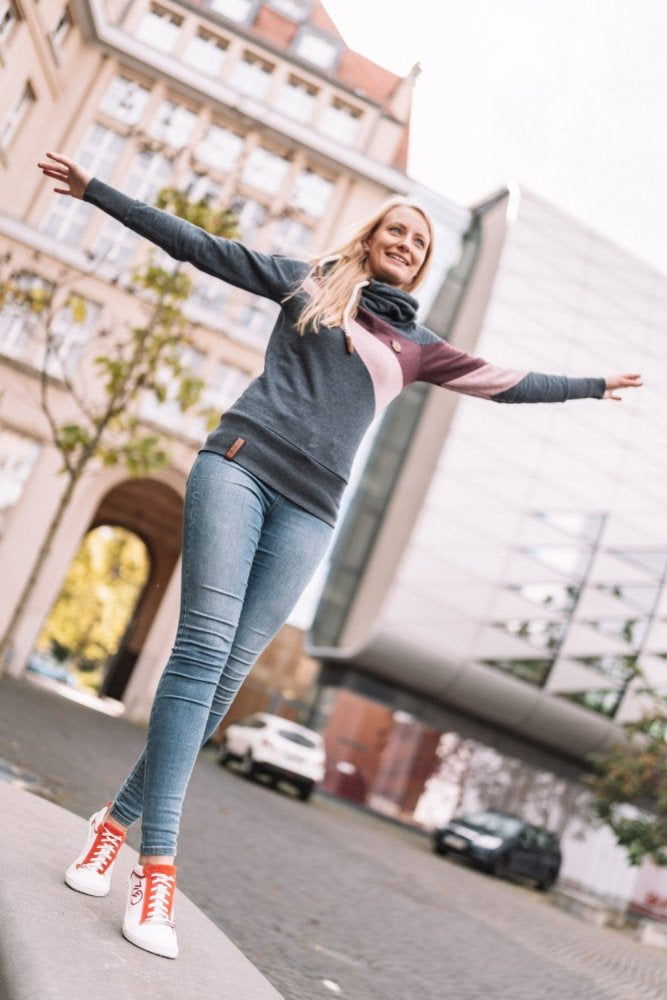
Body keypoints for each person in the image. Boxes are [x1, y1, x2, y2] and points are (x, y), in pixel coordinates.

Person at [36, 151, 641, 960]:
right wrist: (97, 192)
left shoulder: (421, 347)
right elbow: (197, 245)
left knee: (223, 684)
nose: (404, 243)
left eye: (417, 242)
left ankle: (111, 823)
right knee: (201, 651)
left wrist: (591, 385)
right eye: (395, 229)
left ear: (422, 263)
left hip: (310, 513)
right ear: (371, 236)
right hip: (239, 467)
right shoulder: (309, 284)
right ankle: (156, 862)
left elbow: (506, 381)